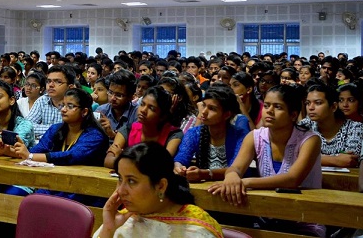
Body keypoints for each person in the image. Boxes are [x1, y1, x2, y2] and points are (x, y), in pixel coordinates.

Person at [208, 85, 324, 237]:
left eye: (278, 107)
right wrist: (232, 177)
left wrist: (245, 182)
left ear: (293, 115)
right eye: (267, 105)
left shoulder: (310, 139)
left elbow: (292, 179)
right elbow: (236, 167)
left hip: (304, 219)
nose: (269, 111)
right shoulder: (255, 136)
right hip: (266, 215)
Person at [94, 142, 223, 238]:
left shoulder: (196, 230)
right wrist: (108, 230)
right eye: (120, 179)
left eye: (131, 181)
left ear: (161, 186)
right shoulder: (122, 219)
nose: (121, 191)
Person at [10, 88, 109, 204]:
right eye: (63, 105)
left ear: (84, 111)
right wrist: (16, 151)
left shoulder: (94, 135)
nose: (63, 110)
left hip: (85, 188)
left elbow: (71, 156)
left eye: (70, 106)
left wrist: (30, 156)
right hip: (56, 183)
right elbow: (37, 150)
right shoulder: (56, 129)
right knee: (34, 201)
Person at [174, 86, 248, 182]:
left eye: (212, 109)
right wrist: (179, 168)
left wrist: (205, 174)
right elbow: (181, 158)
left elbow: (236, 169)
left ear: (227, 115)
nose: (203, 112)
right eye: (204, 105)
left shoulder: (240, 136)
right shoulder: (194, 133)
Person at [105, 86, 183, 169]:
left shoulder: (173, 135)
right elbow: (108, 160)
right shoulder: (128, 129)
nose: (143, 110)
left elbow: (160, 166)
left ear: (163, 116)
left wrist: (123, 159)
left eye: (151, 108)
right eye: (142, 104)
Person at [302, 82, 363, 168]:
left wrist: (308, 158)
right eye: (308, 103)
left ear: (333, 107)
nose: (310, 107)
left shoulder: (355, 127)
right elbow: (293, 155)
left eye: (318, 103)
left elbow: (350, 160)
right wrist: (336, 159)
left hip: (343, 180)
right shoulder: (304, 125)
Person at [27, 65, 76, 140]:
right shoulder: (42, 100)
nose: (51, 85)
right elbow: (27, 126)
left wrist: (40, 132)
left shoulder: (76, 104)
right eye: (49, 81)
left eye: (58, 82)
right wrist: (55, 129)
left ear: (70, 87)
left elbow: (70, 132)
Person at [96, 69, 138, 141]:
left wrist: (112, 134)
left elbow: (135, 145)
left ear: (131, 97)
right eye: (110, 92)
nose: (112, 98)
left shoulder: (137, 114)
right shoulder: (101, 111)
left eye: (119, 95)